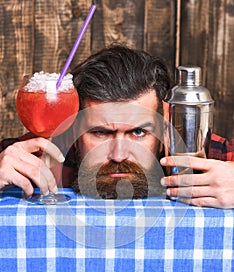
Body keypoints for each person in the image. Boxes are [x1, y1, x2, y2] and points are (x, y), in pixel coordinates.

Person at [0, 45, 233, 207]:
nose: (119, 156)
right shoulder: (40, 154)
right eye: (101, 132)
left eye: (139, 132)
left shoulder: (204, 154)